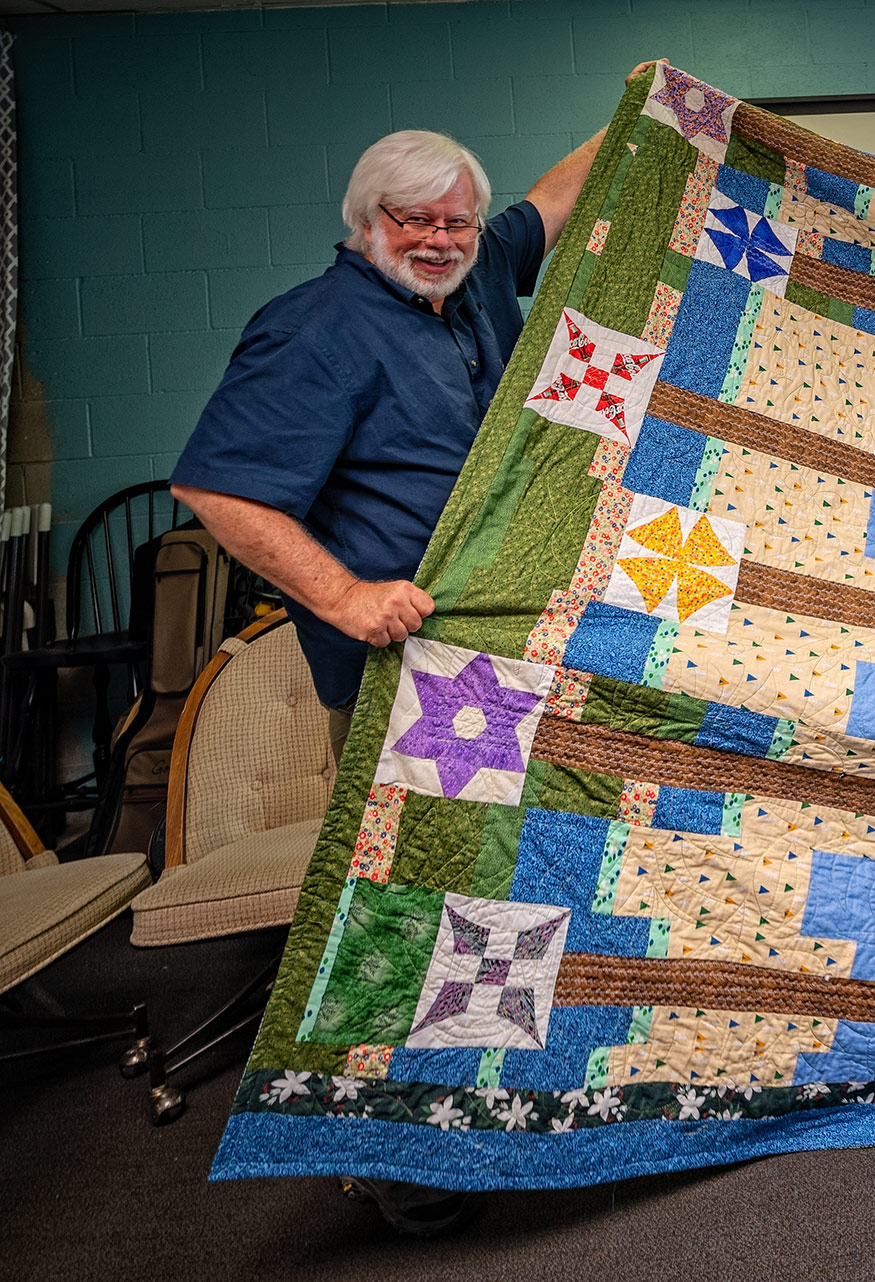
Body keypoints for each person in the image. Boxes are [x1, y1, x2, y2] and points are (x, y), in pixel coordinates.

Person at [172, 68, 645, 1232]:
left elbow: (550, 196)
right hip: (402, 673)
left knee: (500, 884)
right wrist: (344, 595)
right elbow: (217, 491)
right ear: (364, 222)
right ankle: (398, 1158)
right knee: (408, 900)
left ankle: (486, 1111)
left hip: (495, 659)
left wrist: (655, 107)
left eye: (453, 219)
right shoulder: (315, 326)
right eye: (410, 219)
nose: (436, 238)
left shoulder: (475, 280)